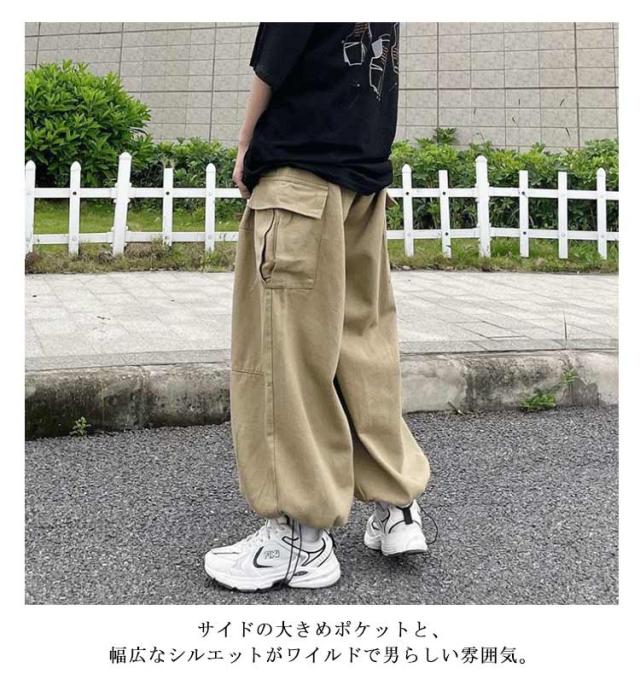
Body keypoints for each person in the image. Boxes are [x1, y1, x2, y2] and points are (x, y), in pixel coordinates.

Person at [204, 22, 431, 592]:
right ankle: (397, 506)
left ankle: (299, 539)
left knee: (285, 358)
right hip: (363, 180)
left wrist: (245, 145)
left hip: (301, 179)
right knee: (363, 347)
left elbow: (273, 63)